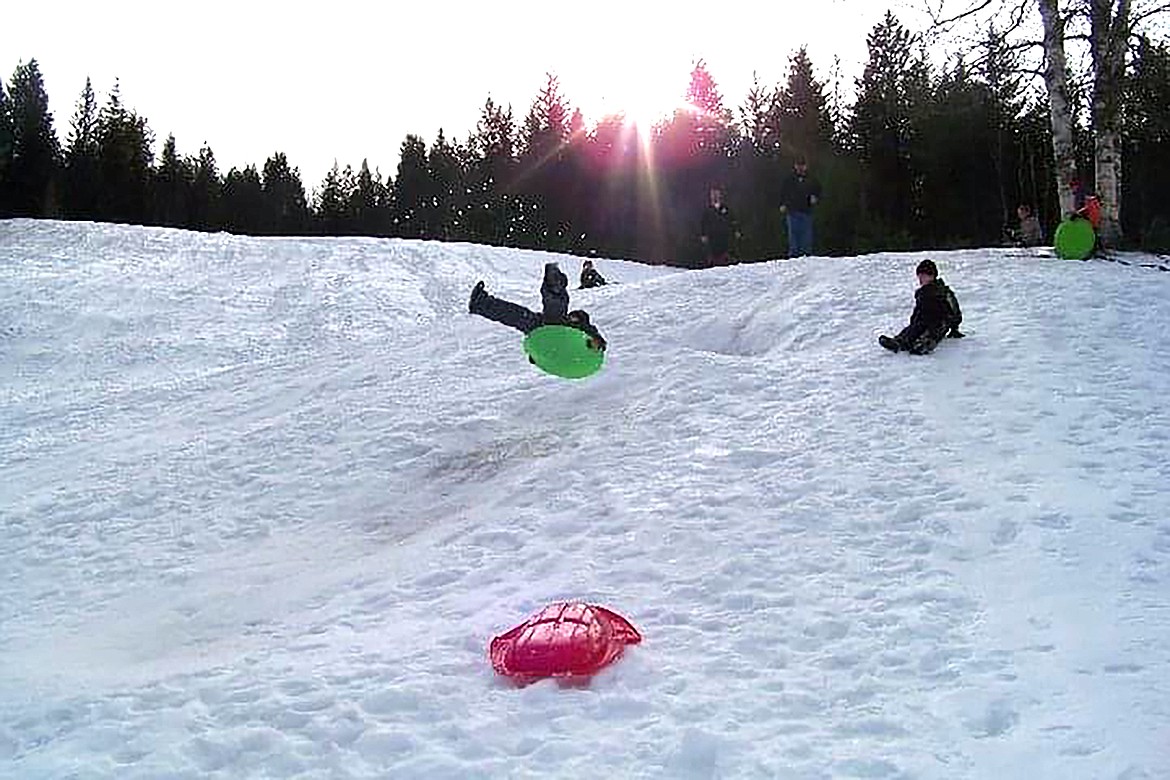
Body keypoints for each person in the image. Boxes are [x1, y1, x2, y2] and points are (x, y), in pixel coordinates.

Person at [469, 262, 607, 352]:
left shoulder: (584, 329)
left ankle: (554, 286)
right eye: (572, 316)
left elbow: (598, 340)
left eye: (575, 318)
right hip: (543, 328)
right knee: (516, 314)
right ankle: (481, 303)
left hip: (556, 339)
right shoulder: (566, 321)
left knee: (555, 311)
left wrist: (596, 343)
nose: (572, 318)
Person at [878, 259, 964, 355]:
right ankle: (899, 342)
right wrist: (913, 324)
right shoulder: (922, 293)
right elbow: (918, 312)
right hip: (924, 321)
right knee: (915, 327)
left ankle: (923, 345)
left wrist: (954, 328)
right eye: (919, 276)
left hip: (940, 323)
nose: (920, 279)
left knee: (932, 330)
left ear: (932, 276)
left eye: (923, 276)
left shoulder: (942, 292)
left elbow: (954, 310)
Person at [779, 157, 822, 257]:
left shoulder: (812, 179)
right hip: (792, 211)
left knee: (806, 235)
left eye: (802, 165)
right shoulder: (789, 179)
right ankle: (794, 256)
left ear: (806, 166)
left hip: (806, 211)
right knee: (793, 235)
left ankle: (806, 256)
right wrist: (782, 204)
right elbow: (783, 192)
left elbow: (818, 190)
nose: (800, 168)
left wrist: (815, 197)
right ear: (795, 166)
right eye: (798, 165)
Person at [700, 185, 737, 267]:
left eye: (717, 194)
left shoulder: (725, 208)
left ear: (720, 195)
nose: (715, 196)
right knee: (713, 255)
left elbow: (732, 220)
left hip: (724, 235)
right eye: (713, 194)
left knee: (725, 254)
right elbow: (703, 222)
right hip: (712, 235)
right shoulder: (707, 209)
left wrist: (735, 230)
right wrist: (703, 235)